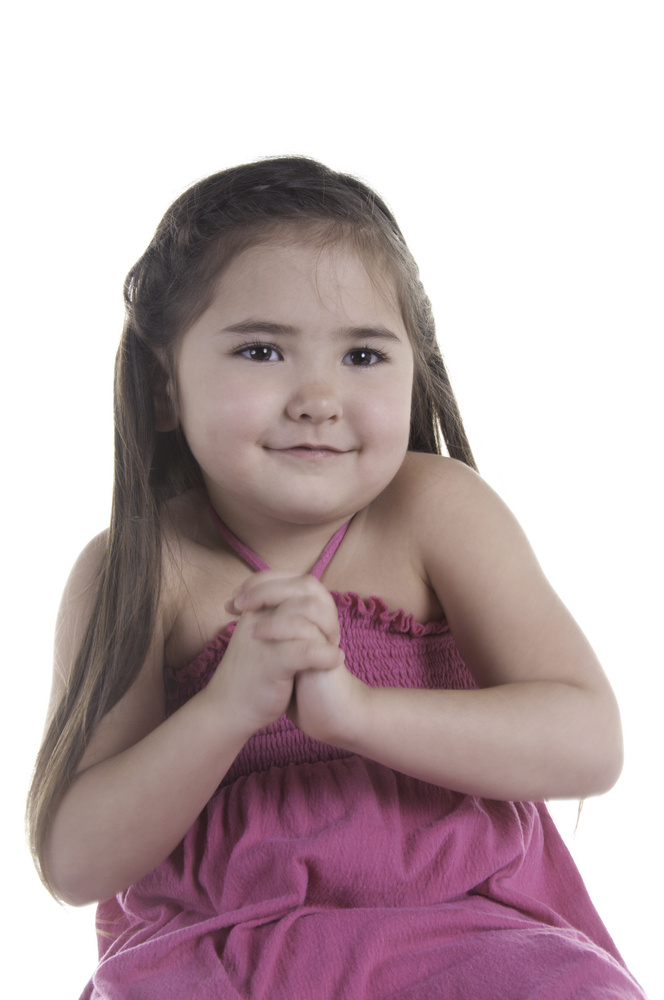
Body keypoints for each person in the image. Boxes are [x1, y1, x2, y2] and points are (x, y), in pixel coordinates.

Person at [27, 157, 647, 999]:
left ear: (413, 369)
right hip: (215, 946)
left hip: (463, 927)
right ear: (163, 383)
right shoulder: (140, 568)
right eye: (260, 349)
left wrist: (357, 712)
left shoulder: (436, 511)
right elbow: (77, 858)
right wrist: (227, 707)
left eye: (362, 354)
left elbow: (588, 743)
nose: (318, 397)